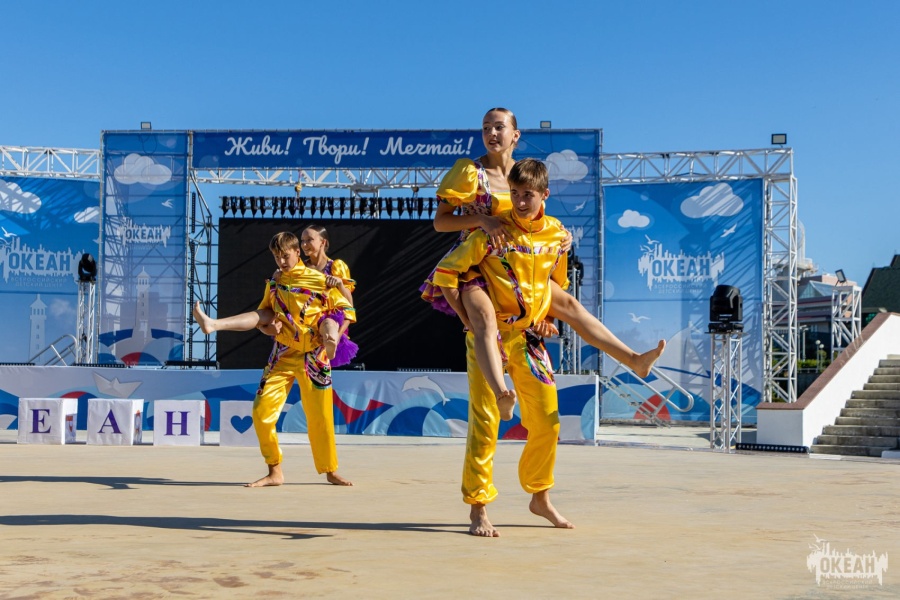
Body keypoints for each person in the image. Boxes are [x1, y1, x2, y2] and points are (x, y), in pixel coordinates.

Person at [422, 107, 665, 421]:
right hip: (480, 261)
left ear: (515, 134)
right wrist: (482, 220)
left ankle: (634, 360)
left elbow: (538, 218)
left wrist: (562, 237)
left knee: (571, 306)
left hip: (522, 261)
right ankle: (502, 393)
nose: (491, 134)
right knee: (483, 320)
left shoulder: (525, 173)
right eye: (485, 128)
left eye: (498, 127)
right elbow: (440, 222)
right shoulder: (470, 171)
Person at [433, 158, 574, 537]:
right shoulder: (483, 209)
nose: (520, 201)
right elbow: (444, 257)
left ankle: (540, 496)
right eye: (514, 194)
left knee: (548, 420)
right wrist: (467, 318)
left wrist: (548, 318)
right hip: (487, 321)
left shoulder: (554, 232)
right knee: (485, 420)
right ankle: (478, 507)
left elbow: (552, 283)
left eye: (527, 195)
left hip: (527, 336)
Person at [210, 231, 355, 487]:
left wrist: (336, 335)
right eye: (277, 257)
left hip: (314, 356)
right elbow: (263, 318)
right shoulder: (274, 283)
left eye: (285, 256)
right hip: (282, 355)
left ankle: (330, 470)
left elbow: (348, 310)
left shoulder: (320, 279)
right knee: (260, 411)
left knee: (320, 417)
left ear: (297, 253)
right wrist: (269, 330)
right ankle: (274, 471)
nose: (281, 261)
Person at [193, 224, 358, 366]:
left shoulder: (335, 266)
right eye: (302, 240)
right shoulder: (296, 268)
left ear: (323, 242)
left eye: (309, 240)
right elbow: (276, 303)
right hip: (297, 328)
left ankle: (330, 341)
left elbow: (348, 305)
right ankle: (214, 324)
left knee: (326, 332)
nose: (304, 244)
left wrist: (339, 285)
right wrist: (278, 280)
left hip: (325, 327)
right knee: (266, 315)